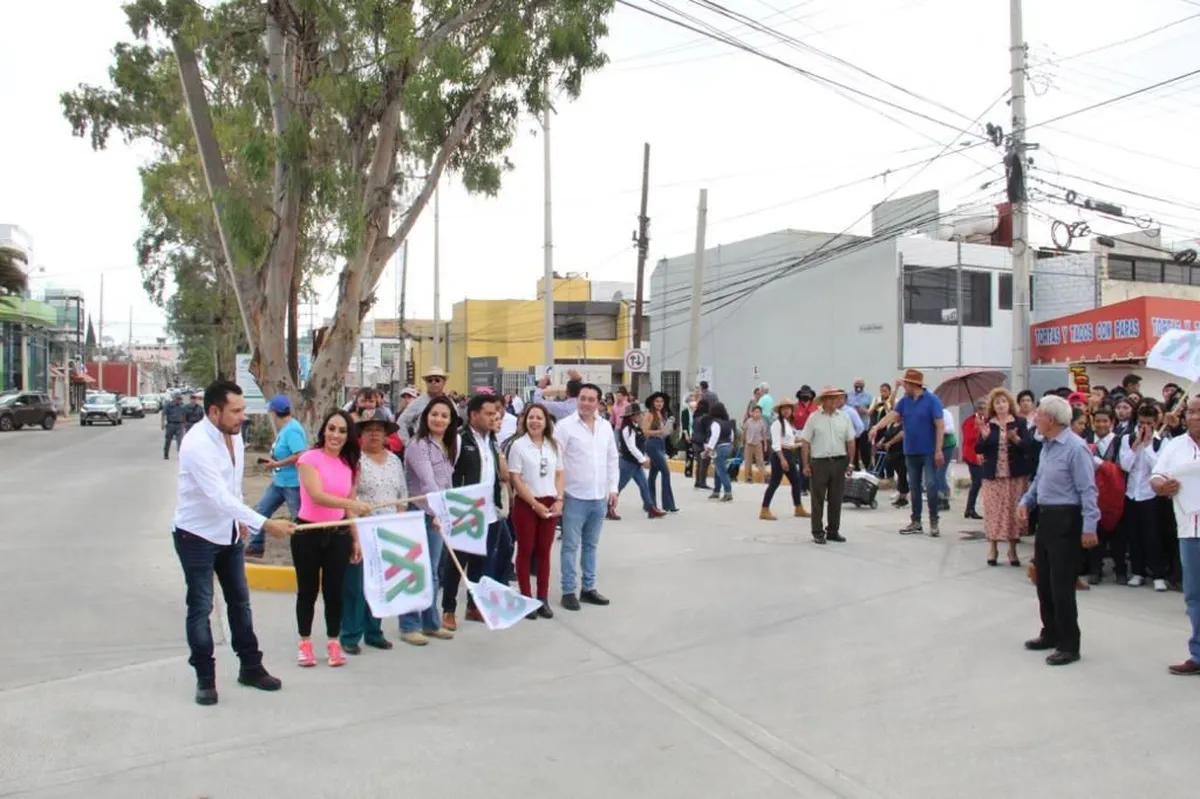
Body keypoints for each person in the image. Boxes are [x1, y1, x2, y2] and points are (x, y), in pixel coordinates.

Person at [173, 379, 294, 706]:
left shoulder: (235, 437)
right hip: (195, 536)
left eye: (243, 409)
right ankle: (205, 678)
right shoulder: (196, 444)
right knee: (201, 606)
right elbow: (218, 496)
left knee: (240, 601)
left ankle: (251, 668)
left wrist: (241, 521)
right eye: (236, 410)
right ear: (214, 411)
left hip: (227, 534)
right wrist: (264, 523)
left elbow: (233, 487)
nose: (243, 416)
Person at [1017, 395, 1100, 667]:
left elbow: (1088, 490)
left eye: (1038, 414)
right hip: (1047, 517)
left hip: (1067, 517)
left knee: (1061, 584)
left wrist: (1089, 527)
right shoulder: (1048, 445)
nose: (1035, 418)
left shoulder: (1076, 449)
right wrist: (1026, 501)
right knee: (1043, 581)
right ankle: (1050, 632)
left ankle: (1069, 644)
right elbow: (1040, 478)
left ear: (1050, 420)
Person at [293, 410, 373, 668]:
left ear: (348, 435)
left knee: (334, 591)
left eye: (341, 431)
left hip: (338, 534)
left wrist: (355, 538)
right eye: (331, 429)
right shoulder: (308, 459)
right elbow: (317, 496)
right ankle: (304, 643)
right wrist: (353, 503)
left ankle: (333, 642)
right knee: (307, 591)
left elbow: (348, 508)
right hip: (307, 533)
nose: (335, 435)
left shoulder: (350, 464)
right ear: (323, 431)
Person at [340, 408, 404, 654]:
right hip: (363, 529)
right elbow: (350, 498)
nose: (375, 435)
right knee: (355, 586)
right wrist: (354, 534)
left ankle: (374, 631)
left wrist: (401, 525)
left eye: (379, 430)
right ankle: (350, 635)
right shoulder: (355, 461)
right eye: (369, 430)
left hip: (388, 530)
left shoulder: (395, 461)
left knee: (381, 585)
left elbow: (402, 496)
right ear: (361, 435)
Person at [441, 394, 506, 628]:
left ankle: (473, 606)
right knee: (457, 562)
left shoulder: (492, 440)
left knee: (481, 562)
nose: (493, 418)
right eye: (488, 414)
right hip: (465, 511)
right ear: (474, 415)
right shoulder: (460, 440)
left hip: (489, 511)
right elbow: (447, 474)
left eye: (495, 414)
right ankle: (448, 609)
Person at [400, 396, 460, 645]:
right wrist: (437, 512)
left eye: (445, 416)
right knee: (415, 571)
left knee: (434, 572)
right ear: (426, 416)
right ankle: (409, 625)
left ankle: (430, 622)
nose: (439, 419)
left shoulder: (448, 445)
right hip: (418, 513)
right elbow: (427, 482)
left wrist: (446, 512)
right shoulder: (417, 445)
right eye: (434, 414)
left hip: (436, 515)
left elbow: (447, 483)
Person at [556, 382, 619, 611]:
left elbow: (612, 459)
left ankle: (589, 588)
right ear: (577, 400)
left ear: (598, 403)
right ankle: (568, 590)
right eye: (583, 398)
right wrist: (559, 494)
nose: (586, 403)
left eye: (591, 399)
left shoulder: (605, 427)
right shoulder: (564, 427)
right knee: (570, 546)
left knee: (591, 545)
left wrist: (613, 489)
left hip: (598, 497)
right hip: (574, 497)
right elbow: (557, 461)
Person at [1150, 396, 1200, 675]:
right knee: (1194, 595)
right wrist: (1160, 486)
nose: (1194, 416)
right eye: (1190, 412)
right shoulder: (1176, 446)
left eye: (1199, 411)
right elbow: (1156, 474)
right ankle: (1198, 653)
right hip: (1189, 530)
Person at [870, 369, 945, 537]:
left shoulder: (932, 401)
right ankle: (916, 521)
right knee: (914, 487)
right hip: (910, 451)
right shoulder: (905, 401)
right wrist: (877, 427)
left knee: (931, 485)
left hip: (929, 451)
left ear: (913, 384)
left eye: (906, 384)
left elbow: (940, 425)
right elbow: (892, 416)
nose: (904, 386)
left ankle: (934, 520)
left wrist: (939, 449)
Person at [507, 403, 564, 617]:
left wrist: (559, 499)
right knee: (525, 550)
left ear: (546, 421)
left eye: (539, 418)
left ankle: (542, 598)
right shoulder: (519, 446)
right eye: (531, 417)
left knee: (544, 553)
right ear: (525, 420)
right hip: (527, 504)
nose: (535, 422)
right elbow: (516, 478)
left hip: (550, 502)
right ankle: (526, 599)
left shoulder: (554, 445)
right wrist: (534, 504)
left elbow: (560, 474)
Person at [975, 388, 1032, 567]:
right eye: (997, 402)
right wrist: (983, 435)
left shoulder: (1019, 422)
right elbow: (979, 449)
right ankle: (993, 547)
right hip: (994, 475)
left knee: (1013, 513)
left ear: (1010, 404)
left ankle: (1013, 549)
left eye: (1004, 402)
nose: (1001, 405)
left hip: (1015, 475)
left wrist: (1015, 440)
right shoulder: (988, 424)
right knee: (993, 511)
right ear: (993, 406)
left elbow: (1028, 447)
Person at [246, 394, 307, 557]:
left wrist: (276, 464)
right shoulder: (285, 430)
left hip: (292, 483)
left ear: (273, 412)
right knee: (261, 510)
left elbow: (300, 455)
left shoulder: (292, 429)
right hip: (279, 482)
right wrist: (273, 461)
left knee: (298, 519)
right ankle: (255, 545)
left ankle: (304, 551)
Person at [800, 386, 856, 544]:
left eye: (836, 398)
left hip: (839, 461)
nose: (834, 401)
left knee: (836, 498)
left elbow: (850, 440)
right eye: (831, 398)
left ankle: (833, 530)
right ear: (824, 400)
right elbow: (805, 442)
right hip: (819, 463)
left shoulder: (844, 417)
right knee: (817, 499)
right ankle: (817, 531)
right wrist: (805, 465)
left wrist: (851, 462)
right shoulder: (814, 418)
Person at [615, 403, 666, 519]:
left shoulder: (635, 427)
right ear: (631, 416)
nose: (639, 416)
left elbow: (640, 445)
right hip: (627, 463)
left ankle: (650, 508)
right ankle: (608, 507)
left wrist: (643, 458)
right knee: (618, 487)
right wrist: (643, 460)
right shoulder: (628, 429)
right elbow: (631, 447)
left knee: (644, 485)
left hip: (635, 463)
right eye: (637, 414)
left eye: (639, 414)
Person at [760, 397, 808, 520]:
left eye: (788, 408)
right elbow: (776, 444)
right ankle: (764, 509)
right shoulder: (777, 424)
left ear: (792, 410)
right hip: (779, 455)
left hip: (788, 453)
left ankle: (798, 507)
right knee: (774, 482)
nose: (786, 411)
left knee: (796, 481)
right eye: (783, 409)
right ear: (780, 411)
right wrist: (782, 459)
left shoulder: (789, 424)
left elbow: (790, 442)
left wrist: (802, 442)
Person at [642, 392, 680, 513]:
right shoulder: (649, 415)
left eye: (662, 402)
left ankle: (650, 503)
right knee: (666, 472)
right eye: (657, 401)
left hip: (660, 444)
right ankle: (668, 504)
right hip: (652, 444)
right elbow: (645, 431)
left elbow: (665, 432)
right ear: (652, 402)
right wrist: (659, 431)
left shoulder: (662, 415)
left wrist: (668, 430)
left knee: (653, 475)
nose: (660, 404)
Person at [397, 366, 449, 443]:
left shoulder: (450, 403)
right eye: (430, 380)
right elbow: (401, 422)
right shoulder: (418, 402)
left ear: (444, 383)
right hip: (422, 446)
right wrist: (407, 444)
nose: (433, 382)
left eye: (437, 380)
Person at [960, 398, 987, 521]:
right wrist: (977, 427)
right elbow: (969, 438)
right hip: (972, 455)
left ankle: (970, 508)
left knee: (978, 483)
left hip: (983, 456)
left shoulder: (987, 421)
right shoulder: (969, 421)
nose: (983, 411)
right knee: (977, 482)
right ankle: (969, 508)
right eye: (980, 408)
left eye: (984, 408)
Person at [704, 402, 736, 502]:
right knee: (718, 469)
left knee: (721, 470)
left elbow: (714, 436)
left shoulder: (715, 423)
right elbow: (732, 436)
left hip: (720, 447)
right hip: (728, 446)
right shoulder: (728, 422)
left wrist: (708, 449)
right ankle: (716, 491)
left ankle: (728, 492)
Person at [741, 405, 768, 484]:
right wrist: (742, 442)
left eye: (759, 412)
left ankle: (765, 476)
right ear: (752, 413)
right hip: (748, 444)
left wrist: (765, 445)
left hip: (758, 444)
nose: (757, 414)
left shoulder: (762, 422)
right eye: (755, 412)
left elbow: (764, 435)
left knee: (760, 461)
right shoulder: (748, 421)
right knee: (748, 462)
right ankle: (748, 477)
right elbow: (744, 432)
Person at [162, 393, 187, 459]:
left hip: (179, 425)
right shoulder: (169, 405)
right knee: (168, 440)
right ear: (174, 399)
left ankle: (180, 455)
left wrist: (184, 424)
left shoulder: (182, 406)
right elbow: (163, 414)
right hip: (171, 424)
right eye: (177, 399)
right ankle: (166, 454)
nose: (179, 400)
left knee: (179, 441)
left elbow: (184, 414)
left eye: (180, 399)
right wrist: (162, 423)